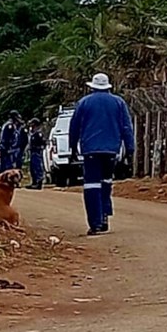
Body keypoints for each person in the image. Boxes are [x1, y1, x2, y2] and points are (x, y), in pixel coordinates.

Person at [69, 73, 135, 236]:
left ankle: (96, 222)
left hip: (90, 150)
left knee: (92, 186)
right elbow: (126, 127)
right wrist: (130, 149)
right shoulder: (119, 102)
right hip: (111, 150)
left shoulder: (84, 103)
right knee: (106, 182)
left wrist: (72, 148)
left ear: (92, 87)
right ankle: (105, 215)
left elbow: (74, 126)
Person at [26, 118, 46, 190]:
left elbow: (43, 143)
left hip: (36, 152)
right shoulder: (33, 133)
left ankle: (39, 182)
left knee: (37, 167)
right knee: (32, 168)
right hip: (32, 152)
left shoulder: (38, 133)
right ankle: (34, 182)